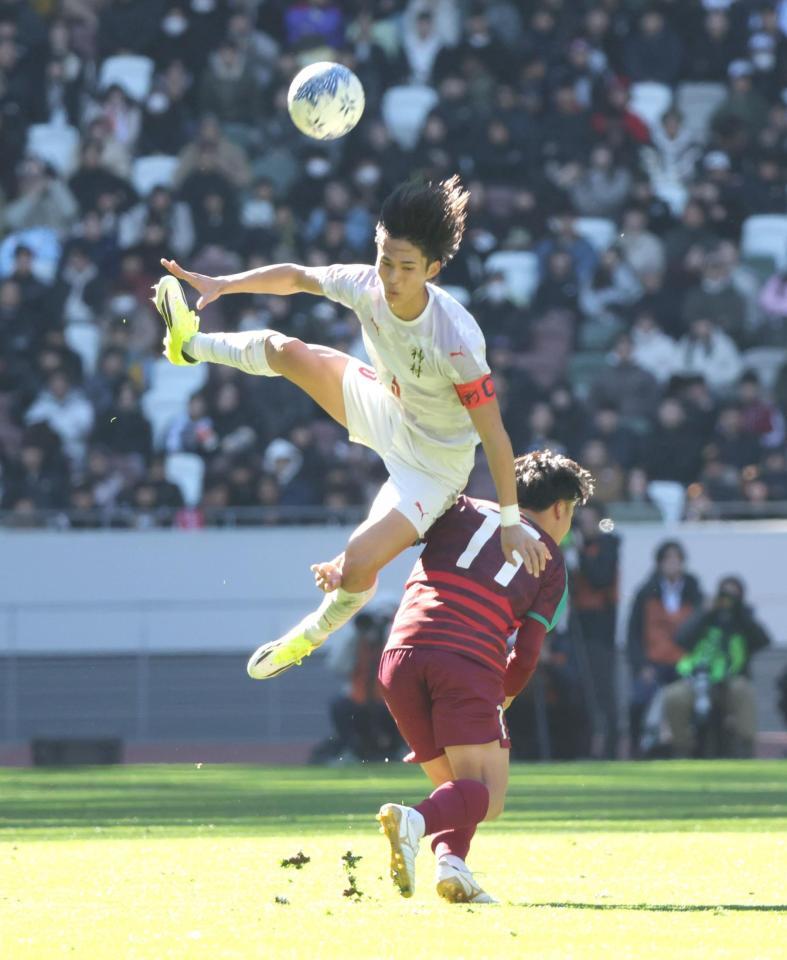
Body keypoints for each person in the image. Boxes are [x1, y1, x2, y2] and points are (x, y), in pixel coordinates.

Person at [153, 176, 549, 678]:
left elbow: (495, 436)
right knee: (285, 351)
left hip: (434, 466)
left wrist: (512, 524)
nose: (392, 276)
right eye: (386, 260)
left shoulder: (456, 338)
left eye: (407, 267)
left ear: (433, 269)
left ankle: (309, 635)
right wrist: (225, 284)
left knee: (359, 562)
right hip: (385, 407)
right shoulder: (365, 285)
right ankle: (188, 345)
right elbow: (295, 276)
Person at [311, 451, 593, 903]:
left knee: (457, 786)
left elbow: (389, 533)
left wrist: (343, 565)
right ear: (560, 508)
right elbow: (526, 653)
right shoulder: (551, 559)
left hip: (399, 657)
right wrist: (502, 696)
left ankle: (452, 867)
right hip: (466, 660)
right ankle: (414, 822)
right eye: (571, 513)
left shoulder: (456, 507)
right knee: (487, 795)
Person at [662, 576, 770, 758]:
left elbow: (763, 640)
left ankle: (745, 750)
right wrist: (705, 613)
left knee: (744, 691)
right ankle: (682, 749)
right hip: (698, 679)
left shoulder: (744, 618)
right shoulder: (705, 615)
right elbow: (682, 639)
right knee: (674, 696)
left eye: (733, 595)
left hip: (731, 681)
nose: (727, 599)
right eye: (724, 594)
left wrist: (740, 613)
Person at [626, 541, 704, 756]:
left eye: (676, 559)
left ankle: (693, 749)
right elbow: (633, 634)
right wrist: (641, 666)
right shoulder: (645, 592)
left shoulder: (694, 592)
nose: (672, 564)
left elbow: (701, 633)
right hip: (653, 663)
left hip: (684, 664)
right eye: (667, 559)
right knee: (638, 701)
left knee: (697, 704)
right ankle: (636, 748)